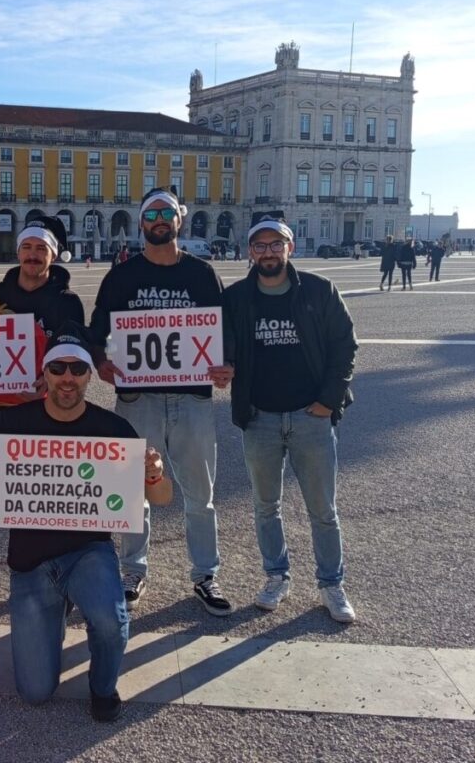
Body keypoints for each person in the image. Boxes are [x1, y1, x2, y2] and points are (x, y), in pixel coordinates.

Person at [0, 322, 172, 721]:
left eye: (77, 368)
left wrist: (153, 474)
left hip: (88, 551)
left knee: (109, 618)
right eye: (58, 368)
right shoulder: (12, 424)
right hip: (30, 563)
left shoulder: (113, 429)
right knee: (35, 692)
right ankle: (57, 609)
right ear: (44, 375)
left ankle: (103, 687)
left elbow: (161, 497)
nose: (67, 378)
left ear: (90, 375)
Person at [90, 187, 232, 616]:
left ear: (179, 220)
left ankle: (206, 574)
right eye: (150, 213)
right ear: (141, 223)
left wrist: (226, 365)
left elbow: (223, 332)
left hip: (192, 397)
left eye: (166, 213)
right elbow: (97, 331)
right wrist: (100, 361)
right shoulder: (121, 276)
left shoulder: (203, 274)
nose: (158, 220)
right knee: (133, 488)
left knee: (200, 492)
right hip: (138, 398)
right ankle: (133, 569)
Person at [219, 212, 358, 623]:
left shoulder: (319, 290)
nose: (267, 252)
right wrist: (223, 367)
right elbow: (221, 345)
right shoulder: (237, 298)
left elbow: (345, 347)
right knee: (266, 507)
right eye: (260, 246)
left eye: (275, 245)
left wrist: (329, 402)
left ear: (289, 248)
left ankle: (332, 583)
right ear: (250, 252)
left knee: (323, 510)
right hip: (259, 417)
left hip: (310, 416)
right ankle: (276, 575)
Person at [0, 215, 85, 610]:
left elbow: (76, 351)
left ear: (52, 255)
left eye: (40, 249)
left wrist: (54, 376)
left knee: (46, 494)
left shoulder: (67, 302)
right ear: (18, 252)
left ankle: (49, 573)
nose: (33, 255)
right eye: (27, 248)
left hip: (47, 412)